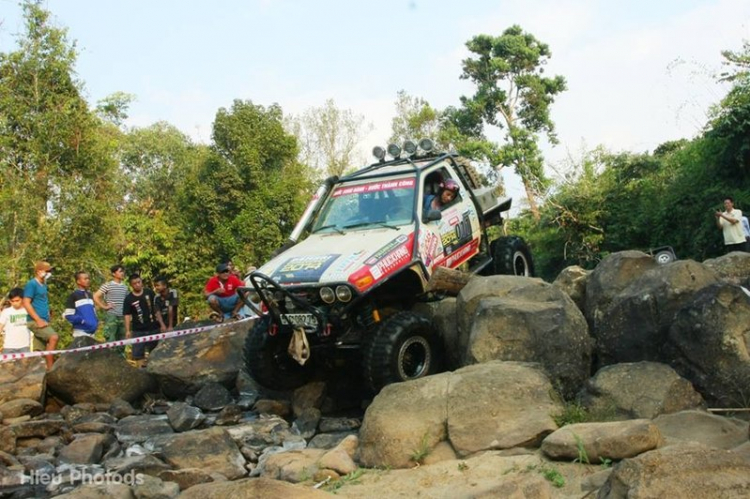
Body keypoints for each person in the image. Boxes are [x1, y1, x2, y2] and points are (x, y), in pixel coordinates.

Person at [23, 261, 58, 370]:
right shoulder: (32, 284)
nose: (49, 273)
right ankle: (50, 368)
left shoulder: (44, 284)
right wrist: (38, 319)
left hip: (44, 320)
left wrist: (47, 314)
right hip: (34, 321)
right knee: (54, 337)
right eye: (47, 271)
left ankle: (34, 372)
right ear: (39, 272)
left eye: (50, 271)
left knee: (38, 351)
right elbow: (26, 302)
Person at [123, 274, 159, 368]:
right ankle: (141, 373)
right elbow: (126, 315)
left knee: (155, 352)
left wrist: (161, 323)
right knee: (138, 355)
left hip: (153, 327)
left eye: (139, 282)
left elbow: (157, 307)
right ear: (131, 285)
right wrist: (127, 330)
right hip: (138, 330)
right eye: (134, 283)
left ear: (141, 282)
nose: (137, 285)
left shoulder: (149, 292)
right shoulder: (128, 298)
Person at [93, 265, 128, 356]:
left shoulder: (125, 287)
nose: (122, 273)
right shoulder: (108, 285)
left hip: (122, 316)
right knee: (111, 341)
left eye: (122, 271)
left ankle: (121, 361)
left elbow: (127, 302)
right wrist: (104, 307)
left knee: (122, 341)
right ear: (114, 273)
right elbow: (95, 296)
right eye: (120, 271)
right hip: (111, 316)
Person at [63, 271, 99, 339]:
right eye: (85, 279)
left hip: (92, 333)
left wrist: (96, 321)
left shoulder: (90, 295)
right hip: (80, 332)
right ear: (78, 281)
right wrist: (81, 321)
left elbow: (93, 311)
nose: (88, 280)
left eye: (88, 278)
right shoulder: (74, 296)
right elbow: (68, 315)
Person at [0, 288, 33, 354]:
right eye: (12, 301)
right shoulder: (6, 312)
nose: (14, 303)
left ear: (23, 299)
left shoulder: (29, 311)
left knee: (25, 364)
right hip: (8, 347)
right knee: (7, 364)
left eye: (17, 300)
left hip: (24, 346)